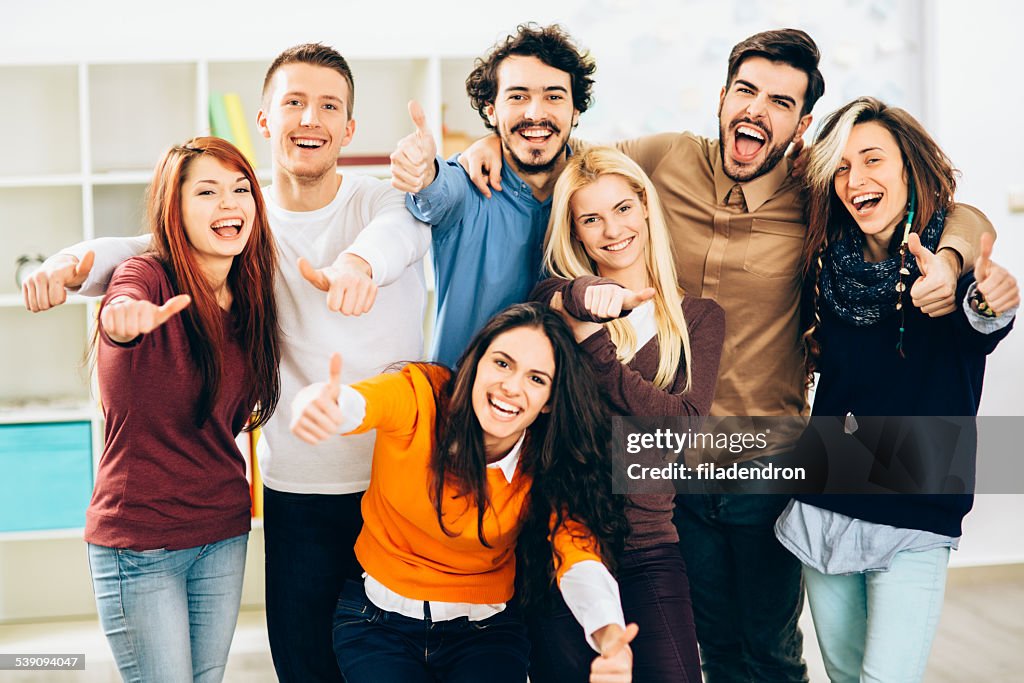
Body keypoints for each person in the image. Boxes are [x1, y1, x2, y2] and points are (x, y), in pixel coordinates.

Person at [459, 28, 995, 682]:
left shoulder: (817, 191)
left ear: (800, 125)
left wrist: (953, 256)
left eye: (779, 101)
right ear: (722, 97)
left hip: (769, 458)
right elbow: (568, 166)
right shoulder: (663, 159)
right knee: (711, 645)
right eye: (746, 90)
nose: (756, 109)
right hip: (670, 465)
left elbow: (956, 210)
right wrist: (484, 141)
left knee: (769, 649)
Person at [21, 43, 431, 683]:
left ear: (350, 129)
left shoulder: (379, 204)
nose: (310, 118)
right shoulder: (247, 219)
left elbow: (399, 237)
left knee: (392, 666)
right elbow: (148, 245)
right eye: (293, 102)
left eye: (329, 106)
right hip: (295, 488)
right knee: (304, 665)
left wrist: (358, 266)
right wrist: (67, 268)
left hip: (394, 483)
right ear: (265, 120)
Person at [774, 96, 1017, 683]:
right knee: (843, 673)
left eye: (873, 159)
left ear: (908, 168)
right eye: (841, 167)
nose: (856, 179)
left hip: (915, 509)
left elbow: (978, 314)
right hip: (825, 497)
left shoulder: (944, 263)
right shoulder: (829, 266)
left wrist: (987, 297)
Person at [290, 302, 637, 683]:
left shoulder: (548, 464)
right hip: (376, 622)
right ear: (475, 362)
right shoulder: (422, 397)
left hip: (484, 634)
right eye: (502, 363)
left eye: (536, 379)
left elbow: (577, 555)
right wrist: (323, 405)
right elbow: (363, 402)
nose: (511, 386)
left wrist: (609, 637)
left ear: (550, 402)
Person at [85, 136, 281, 682]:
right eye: (208, 192)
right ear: (175, 209)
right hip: (140, 543)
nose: (230, 204)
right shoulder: (148, 278)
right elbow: (124, 296)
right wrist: (122, 318)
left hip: (221, 532)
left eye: (241, 189)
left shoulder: (251, 297)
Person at [528, 147, 725, 682]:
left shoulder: (699, 319)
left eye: (621, 208)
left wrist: (596, 351)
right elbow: (568, 293)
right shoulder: (555, 301)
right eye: (590, 218)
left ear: (644, 207)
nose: (611, 229)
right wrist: (590, 304)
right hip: (564, 547)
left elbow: (684, 425)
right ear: (575, 231)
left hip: (649, 544)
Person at [389, 23, 594, 366]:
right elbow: (437, 192)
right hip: (461, 407)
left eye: (554, 96)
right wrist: (423, 173)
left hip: (564, 410)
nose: (535, 113)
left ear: (575, 110)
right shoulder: (466, 184)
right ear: (490, 109)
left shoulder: (596, 192)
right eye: (518, 96)